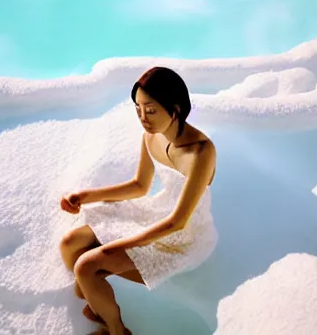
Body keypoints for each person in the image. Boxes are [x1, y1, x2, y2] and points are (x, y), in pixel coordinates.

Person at [59, 66, 218, 335]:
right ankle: (97, 300)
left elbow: (178, 223)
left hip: (183, 237)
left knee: (86, 265)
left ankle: (116, 329)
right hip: (157, 212)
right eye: (138, 109)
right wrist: (86, 196)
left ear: (176, 108)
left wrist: (115, 248)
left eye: (151, 110)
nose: (143, 118)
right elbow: (140, 185)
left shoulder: (201, 152)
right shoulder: (150, 136)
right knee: (70, 244)